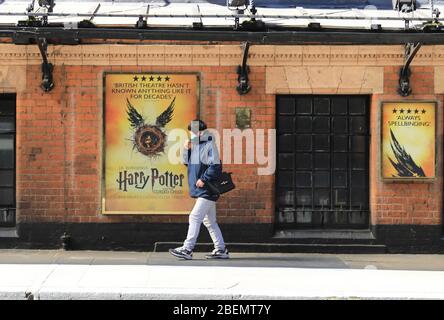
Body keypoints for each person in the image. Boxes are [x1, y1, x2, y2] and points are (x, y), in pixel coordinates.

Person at [169, 119, 229, 260]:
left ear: (202, 132)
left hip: (207, 189)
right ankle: (221, 249)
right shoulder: (195, 145)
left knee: (194, 217)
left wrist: (203, 179)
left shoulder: (209, 145)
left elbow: (216, 166)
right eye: (190, 131)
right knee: (210, 222)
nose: (192, 134)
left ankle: (187, 249)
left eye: (195, 131)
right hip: (201, 189)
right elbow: (186, 163)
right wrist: (186, 149)